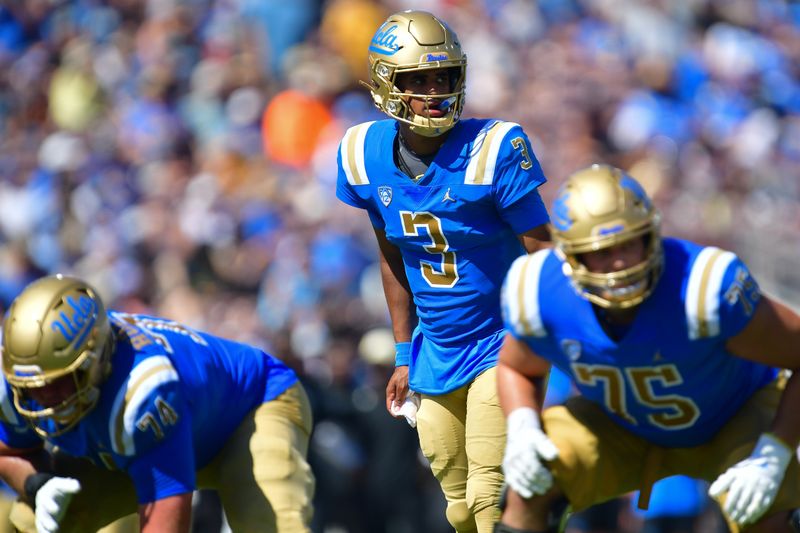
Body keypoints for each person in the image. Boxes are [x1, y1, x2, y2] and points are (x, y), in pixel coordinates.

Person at [495, 163, 800, 533]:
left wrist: (776, 450)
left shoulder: (703, 287)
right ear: (572, 257)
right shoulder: (540, 290)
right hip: (620, 426)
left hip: (733, 418)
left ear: (651, 236)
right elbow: (516, 367)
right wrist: (523, 428)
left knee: (766, 510)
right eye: (603, 252)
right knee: (530, 481)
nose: (620, 263)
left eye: (629, 244)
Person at [335, 9, 551, 533]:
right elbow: (393, 255)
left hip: (500, 343)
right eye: (419, 80)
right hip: (436, 350)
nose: (435, 90)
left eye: (443, 76)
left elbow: (544, 254)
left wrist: (547, 338)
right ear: (388, 85)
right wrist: (405, 353)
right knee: (457, 506)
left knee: (489, 498)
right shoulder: (363, 154)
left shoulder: (494, 147)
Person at [0, 274, 314, 533]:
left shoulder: (142, 390)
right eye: (32, 387)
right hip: (146, 442)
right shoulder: (17, 383)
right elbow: (10, 450)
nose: (44, 396)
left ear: (95, 361)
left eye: (59, 382)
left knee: (273, 528)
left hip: (249, 411)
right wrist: (36, 484)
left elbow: (166, 521)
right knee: (30, 523)